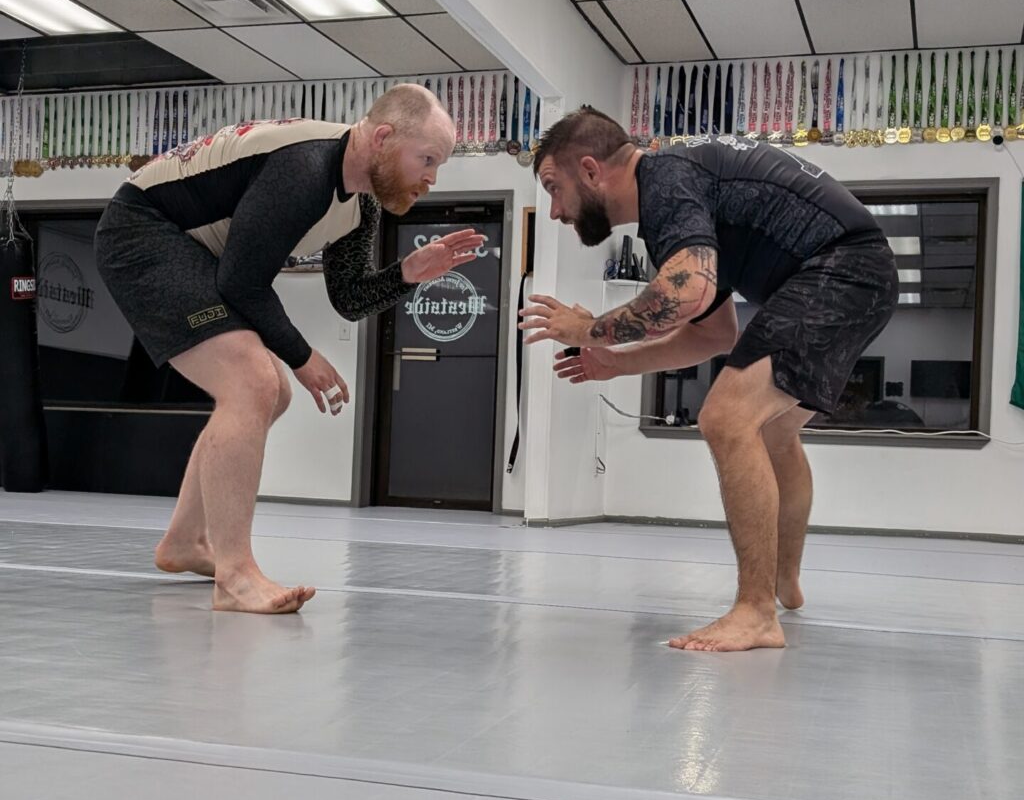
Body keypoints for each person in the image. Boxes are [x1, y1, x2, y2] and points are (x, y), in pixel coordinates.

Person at [520, 108, 898, 651]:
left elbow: (683, 293)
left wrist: (591, 329)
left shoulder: (666, 181)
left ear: (590, 170)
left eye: (555, 190)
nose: (555, 212)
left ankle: (754, 612)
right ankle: (781, 581)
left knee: (725, 417)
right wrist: (617, 362)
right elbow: (713, 332)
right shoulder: (680, 198)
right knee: (772, 431)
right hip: (859, 275)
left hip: (843, 270)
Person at [96, 84, 482, 615]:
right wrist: (304, 358)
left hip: (195, 254)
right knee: (254, 381)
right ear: (384, 137)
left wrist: (408, 275)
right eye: (428, 160)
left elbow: (348, 298)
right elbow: (242, 283)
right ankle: (234, 576)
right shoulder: (304, 169)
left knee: (270, 392)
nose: (431, 179)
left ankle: (184, 544)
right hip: (141, 232)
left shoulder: (360, 203)